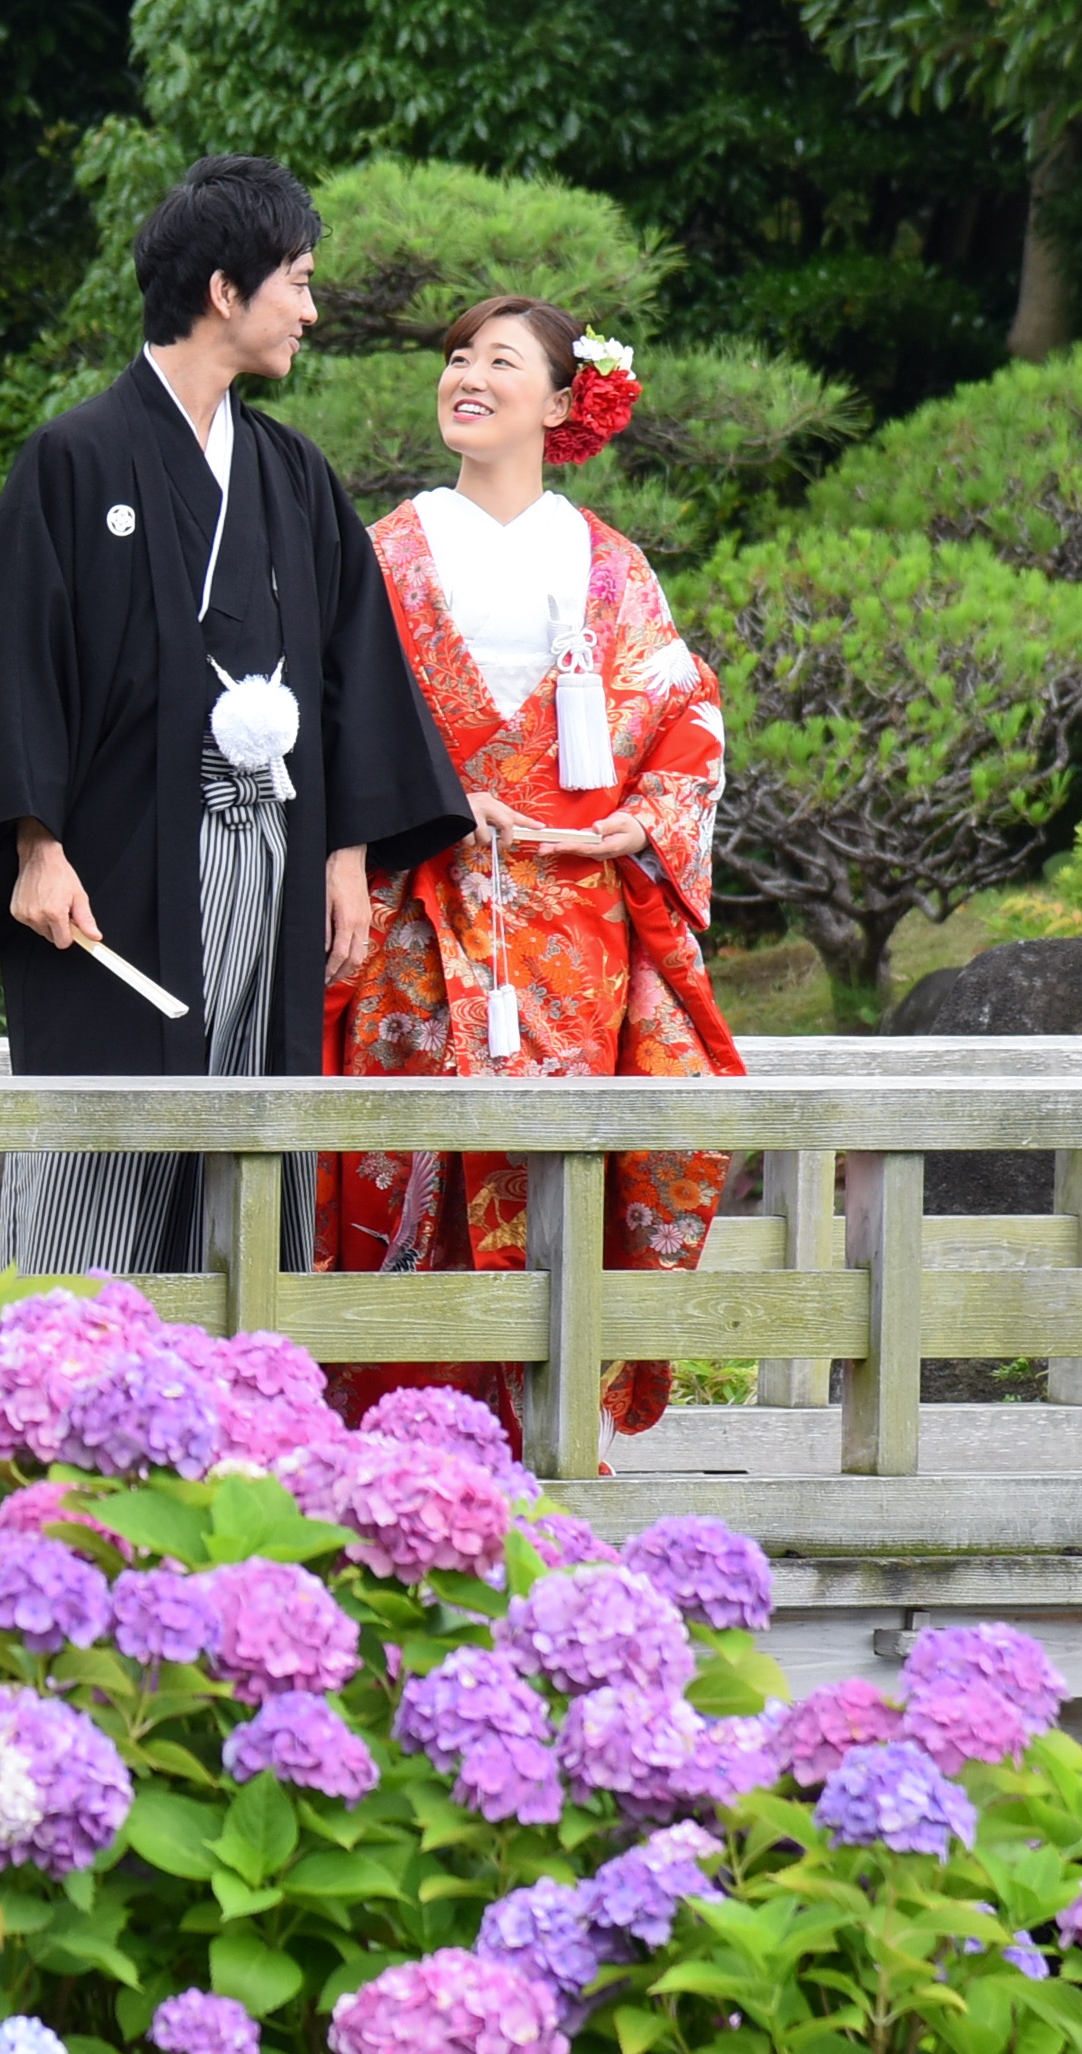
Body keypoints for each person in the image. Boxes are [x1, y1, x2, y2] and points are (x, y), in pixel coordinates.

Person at [0, 155, 474, 1276]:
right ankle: (66, 1396)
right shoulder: (74, 459)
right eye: (299, 281)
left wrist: (344, 850)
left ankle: (234, 1406)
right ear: (226, 290)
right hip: (115, 863)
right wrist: (33, 847)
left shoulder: (290, 473)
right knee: (106, 1142)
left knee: (249, 1126)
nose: (311, 311)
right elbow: (14, 664)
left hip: (267, 850)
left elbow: (350, 671)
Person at [318, 294, 743, 1449]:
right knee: (395, 1158)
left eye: (498, 360)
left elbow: (682, 705)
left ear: (560, 403)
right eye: (455, 355)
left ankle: (549, 1446)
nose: (466, 373)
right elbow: (331, 714)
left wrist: (641, 818)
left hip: (570, 922)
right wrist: (430, 807)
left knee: (560, 1166)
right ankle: (382, 1446)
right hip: (417, 907)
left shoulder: (609, 562)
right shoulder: (382, 551)